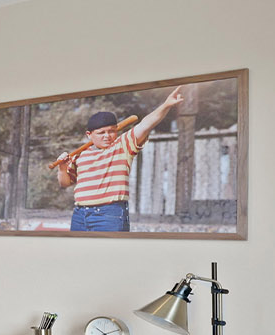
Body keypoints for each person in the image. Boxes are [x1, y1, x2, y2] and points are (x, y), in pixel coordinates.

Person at [54, 86, 185, 232]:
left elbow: (146, 124)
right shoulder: (80, 155)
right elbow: (65, 183)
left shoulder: (122, 145)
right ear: (89, 134)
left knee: (111, 253)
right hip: (79, 215)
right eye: (101, 132)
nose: (107, 136)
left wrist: (166, 104)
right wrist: (62, 168)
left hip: (109, 215)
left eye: (111, 131)